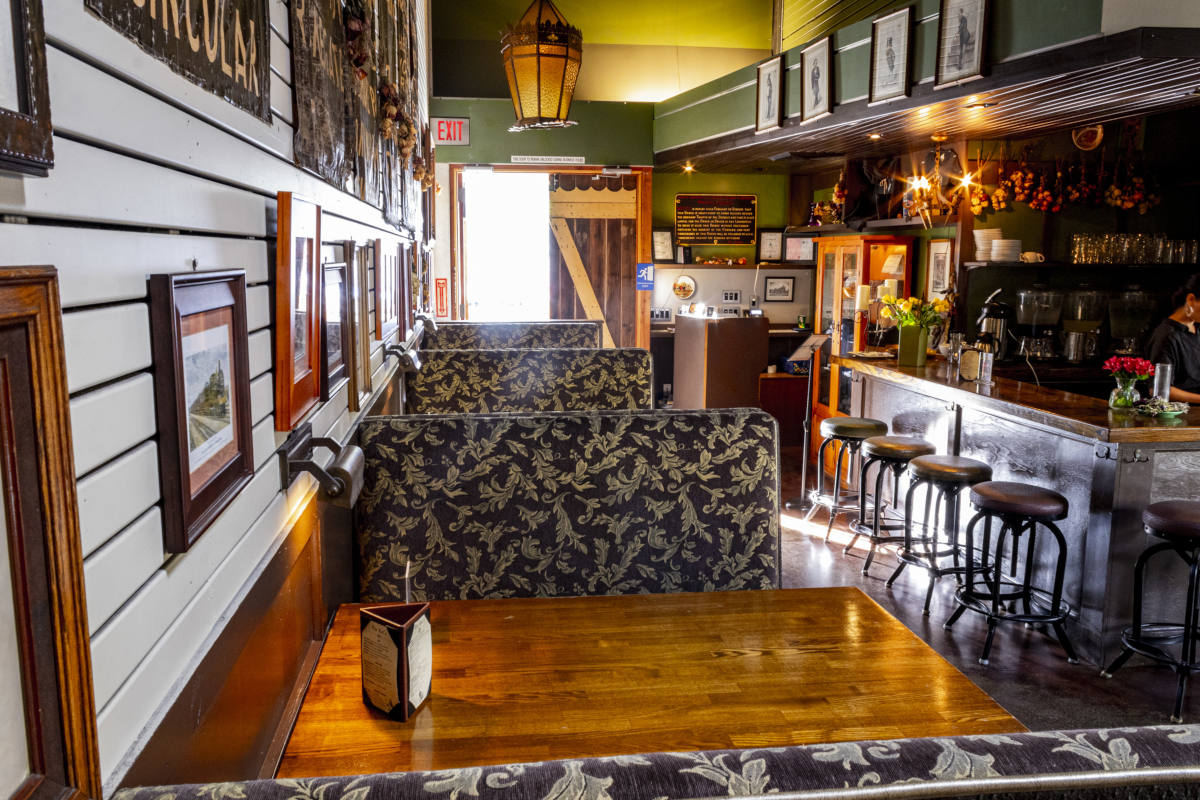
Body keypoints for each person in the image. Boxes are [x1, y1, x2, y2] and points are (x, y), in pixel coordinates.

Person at [1147, 273, 1200, 402]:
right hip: (1181, 416)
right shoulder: (1167, 335)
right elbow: (1158, 390)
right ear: (1191, 300)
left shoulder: (1196, 330)